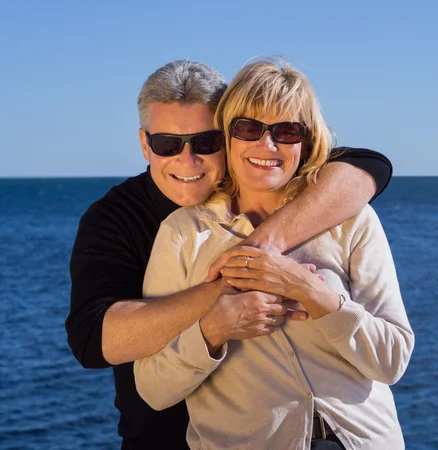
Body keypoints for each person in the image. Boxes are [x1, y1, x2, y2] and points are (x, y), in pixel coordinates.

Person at [65, 59, 393, 450]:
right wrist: (232, 287)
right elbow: (94, 339)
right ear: (143, 144)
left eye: (206, 142)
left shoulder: (285, 179)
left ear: (227, 136)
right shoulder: (121, 217)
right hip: (161, 437)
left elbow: (366, 167)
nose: (188, 160)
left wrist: (268, 247)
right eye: (167, 144)